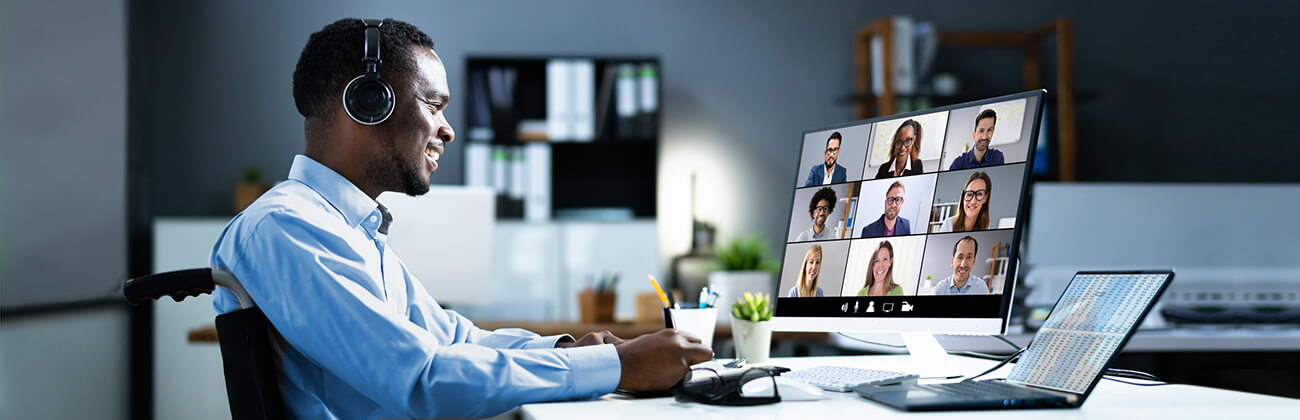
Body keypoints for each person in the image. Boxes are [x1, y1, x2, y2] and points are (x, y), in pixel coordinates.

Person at [209, 18, 711, 419]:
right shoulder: (287, 228)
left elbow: (457, 339)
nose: (448, 130)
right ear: (367, 102)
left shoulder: (350, 230)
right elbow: (422, 379)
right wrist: (617, 367)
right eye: (433, 104)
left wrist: (571, 350)